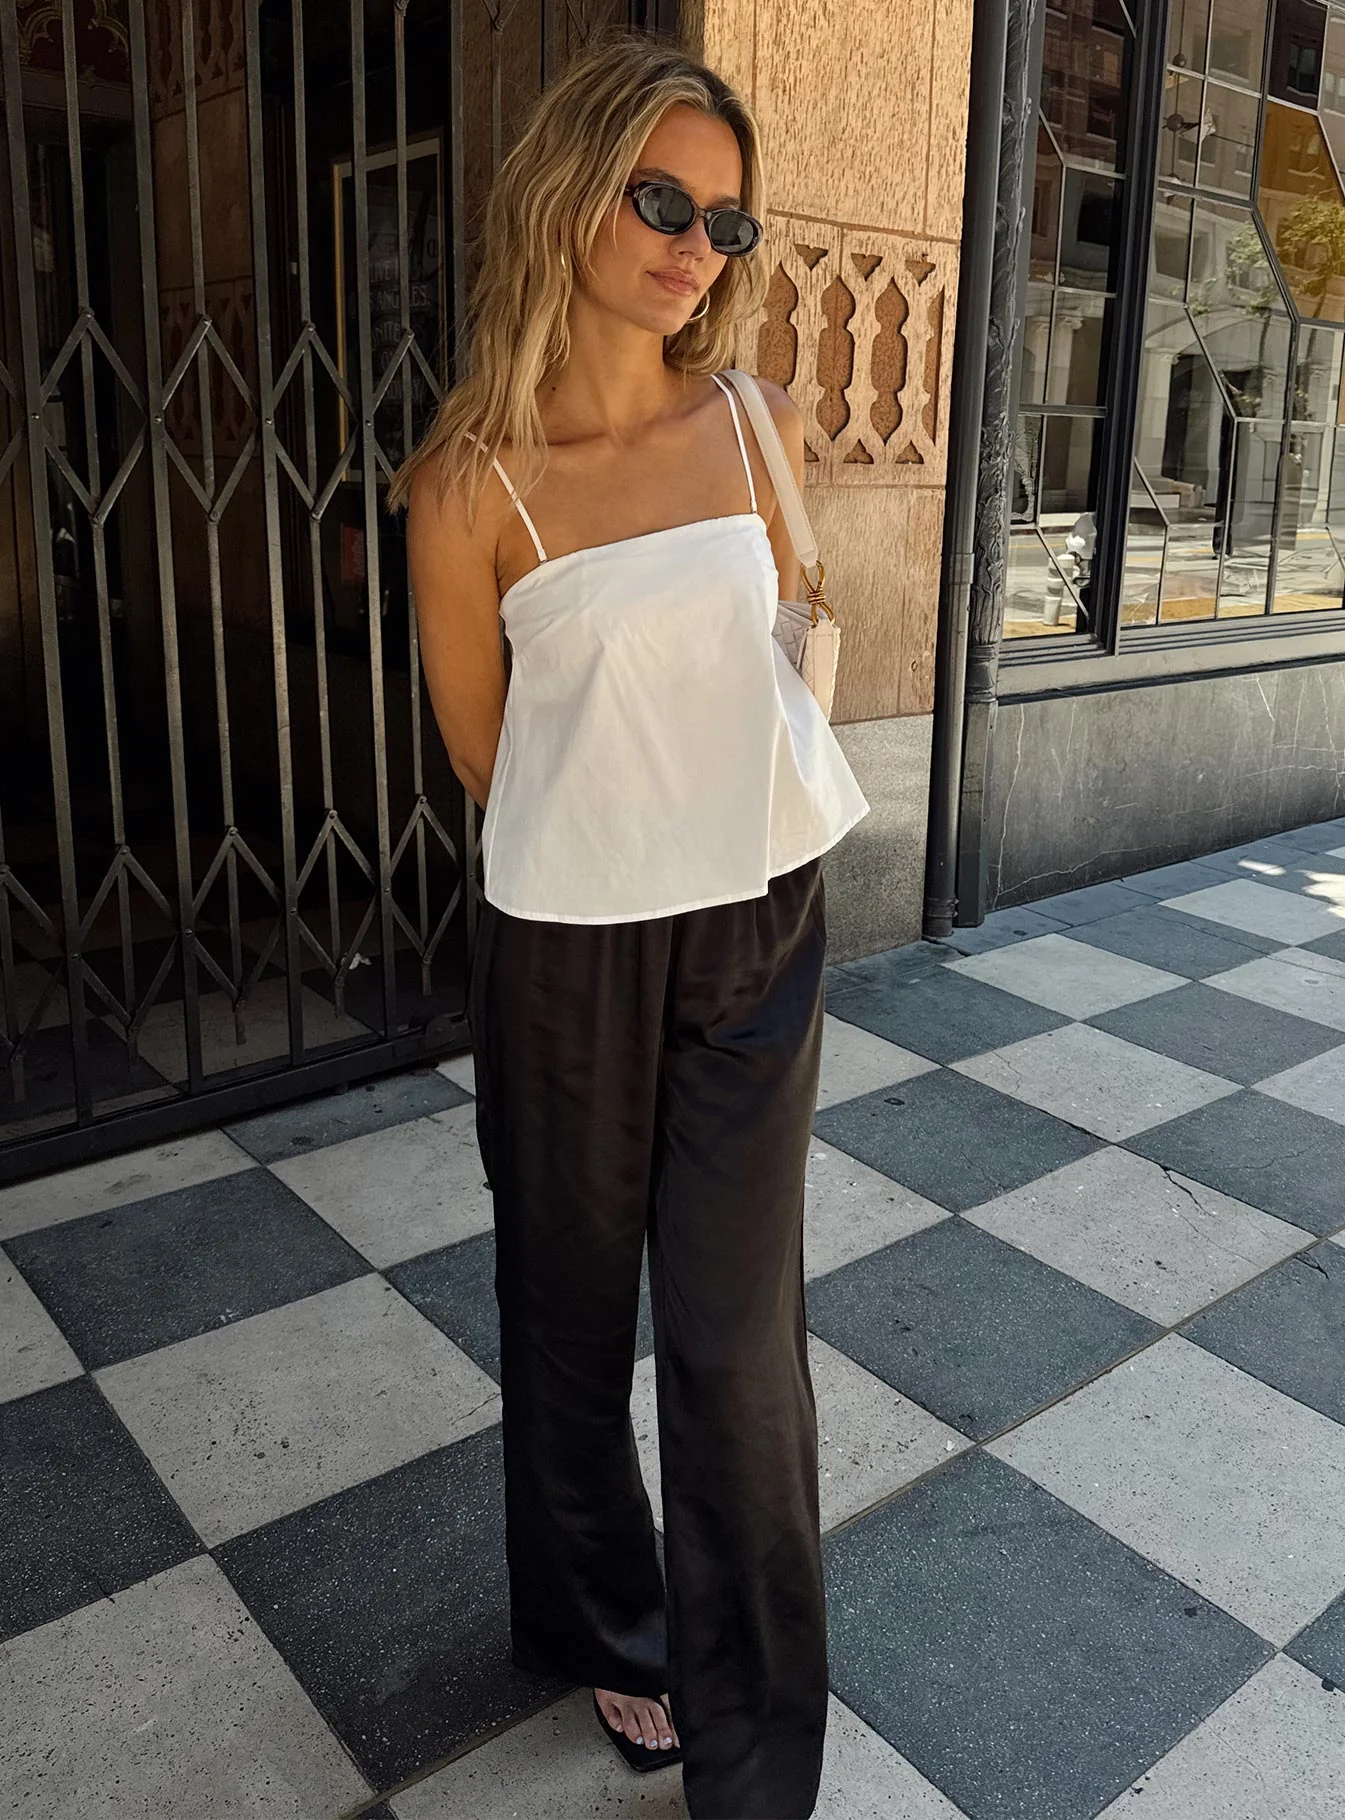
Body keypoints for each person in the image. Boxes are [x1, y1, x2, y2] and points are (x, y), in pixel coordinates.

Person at [392, 32, 868, 1819]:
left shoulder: (756, 420)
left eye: (724, 222)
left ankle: (757, 1749)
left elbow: (782, 640)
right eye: (663, 199)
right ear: (568, 191)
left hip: (757, 922)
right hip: (570, 941)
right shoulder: (467, 485)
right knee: (572, 1312)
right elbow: (486, 752)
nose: (693, 247)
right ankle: (603, 1620)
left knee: (738, 1344)